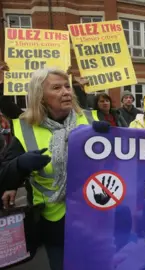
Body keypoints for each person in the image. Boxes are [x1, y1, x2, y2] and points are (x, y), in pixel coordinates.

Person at [0, 68, 100, 270]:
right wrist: (20, 165)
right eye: (56, 87)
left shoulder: (92, 121)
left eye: (67, 86)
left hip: (96, 219)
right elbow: (4, 178)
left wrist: (114, 139)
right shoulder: (25, 127)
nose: (66, 92)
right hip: (53, 223)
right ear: (41, 96)